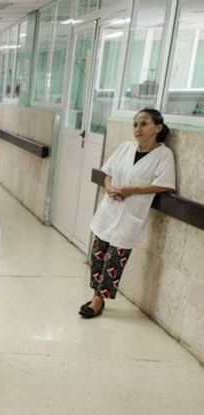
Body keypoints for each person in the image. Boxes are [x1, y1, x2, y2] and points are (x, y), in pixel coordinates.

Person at [80, 109, 176, 318]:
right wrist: (108, 187)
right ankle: (96, 295)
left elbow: (165, 185)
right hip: (109, 211)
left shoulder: (163, 155)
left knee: (114, 260)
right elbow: (108, 174)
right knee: (98, 256)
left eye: (144, 124)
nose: (138, 129)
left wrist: (133, 190)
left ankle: (98, 301)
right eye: (135, 124)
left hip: (130, 216)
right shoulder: (125, 148)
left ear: (157, 128)